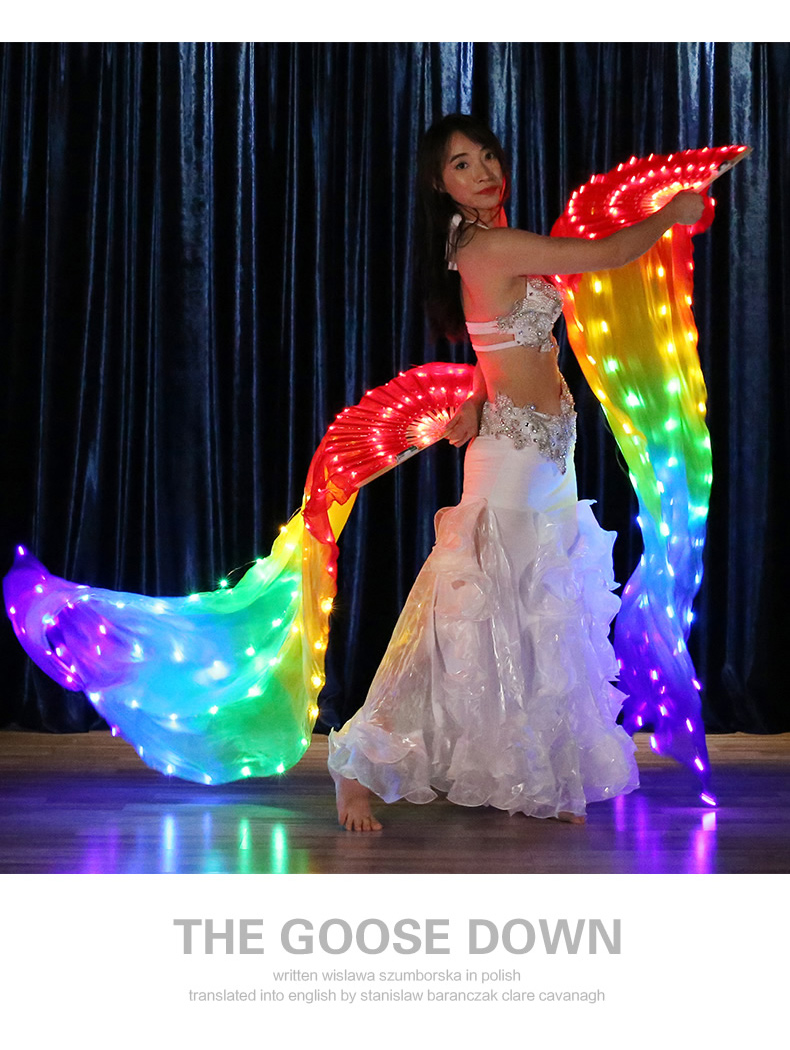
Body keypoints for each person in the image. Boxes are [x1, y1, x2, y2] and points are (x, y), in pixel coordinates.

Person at [327, 113, 705, 832]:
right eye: (462, 165)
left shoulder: (481, 240)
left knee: (536, 615)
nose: (484, 172)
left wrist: (475, 396)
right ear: (439, 184)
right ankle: (357, 762)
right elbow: (603, 253)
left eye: (487, 156)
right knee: (459, 615)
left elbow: (493, 339)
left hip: (548, 449)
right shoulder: (487, 244)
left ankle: (532, 773)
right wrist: (669, 214)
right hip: (514, 459)